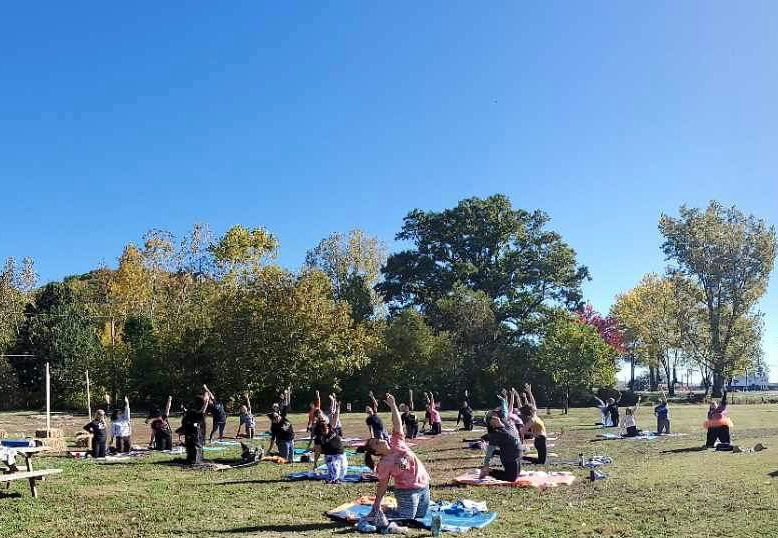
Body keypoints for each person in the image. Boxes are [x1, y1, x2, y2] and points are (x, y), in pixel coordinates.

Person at [364, 393, 431, 522]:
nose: (379, 440)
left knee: (420, 517)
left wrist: (393, 406)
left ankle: (389, 510)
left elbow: (397, 424)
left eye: (377, 439)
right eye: (376, 443)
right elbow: (382, 485)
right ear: (377, 452)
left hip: (424, 485)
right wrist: (376, 504)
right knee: (406, 518)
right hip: (407, 491)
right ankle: (382, 513)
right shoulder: (384, 464)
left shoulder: (396, 441)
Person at [479, 389, 521, 481]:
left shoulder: (506, 422)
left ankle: (489, 471)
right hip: (509, 459)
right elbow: (489, 453)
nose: (495, 416)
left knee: (516, 476)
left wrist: (504, 399)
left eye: (495, 414)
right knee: (511, 479)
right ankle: (488, 471)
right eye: (492, 417)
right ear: (491, 423)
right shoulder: (495, 434)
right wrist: (486, 464)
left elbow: (506, 409)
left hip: (516, 457)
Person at [312, 396, 348, 483]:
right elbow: (317, 450)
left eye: (326, 429)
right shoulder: (319, 437)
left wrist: (338, 407)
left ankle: (336, 477)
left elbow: (336, 417)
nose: (325, 431)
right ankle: (332, 477)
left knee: (343, 473)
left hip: (340, 453)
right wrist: (315, 462)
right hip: (330, 456)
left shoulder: (331, 427)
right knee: (334, 476)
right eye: (323, 430)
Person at [177, 387, 210, 465]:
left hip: (196, 432)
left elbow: (202, 411)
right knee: (191, 445)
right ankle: (193, 459)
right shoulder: (192, 411)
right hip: (191, 431)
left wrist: (206, 402)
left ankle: (195, 459)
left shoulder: (196, 412)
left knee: (195, 445)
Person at [519, 385, 547, 464]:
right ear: (530, 411)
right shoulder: (532, 420)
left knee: (541, 461)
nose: (534, 407)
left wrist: (529, 392)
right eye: (532, 408)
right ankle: (521, 457)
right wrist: (533, 433)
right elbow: (522, 431)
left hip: (541, 440)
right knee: (541, 462)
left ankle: (521, 457)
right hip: (539, 440)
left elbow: (533, 403)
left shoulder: (534, 415)